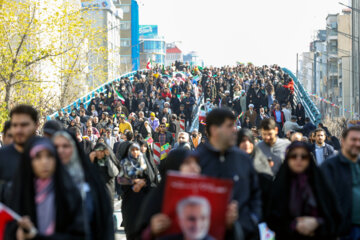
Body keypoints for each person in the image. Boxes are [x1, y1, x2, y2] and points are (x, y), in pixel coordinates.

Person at [196, 108, 261, 239]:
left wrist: (252, 219)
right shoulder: (195, 161)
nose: (234, 130)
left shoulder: (243, 159)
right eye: (230, 126)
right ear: (214, 129)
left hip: (244, 232)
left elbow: (256, 195)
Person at [5, 137, 86, 239]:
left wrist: (36, 237)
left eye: (49, 156)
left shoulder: (69, 191)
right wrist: (19, 233)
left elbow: (79, 233)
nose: (44, 162)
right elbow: (9, 229)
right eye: (38, 157)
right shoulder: (19, 192)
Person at [266, 141, 342, 240]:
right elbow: (271, 217)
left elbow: (335, 215)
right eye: (294, 156)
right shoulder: (280, 184)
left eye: (304, 156)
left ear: (309, 159)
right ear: (288, 158)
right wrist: (294, 225)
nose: (299, 159)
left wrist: (317, 223)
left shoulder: (320, 183)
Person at [52, 130, 115, 240]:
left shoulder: (89, 178)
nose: (60, 150)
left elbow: (103, 220)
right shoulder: (45, 180)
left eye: (65, 146)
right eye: (56, 146)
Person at [321, 126, 360, 239]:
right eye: (353, 140)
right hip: (344, 229)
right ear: (343, 141)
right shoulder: (330, 166)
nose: (357, 144)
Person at [0, 105, 38, 201]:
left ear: (36, 125)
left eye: (24, 125)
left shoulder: (47, 154)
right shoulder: (2, 156)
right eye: (15, 125)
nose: (18, 130)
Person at [237, 129, 273, 217]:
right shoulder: (231, 162)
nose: (246, 144)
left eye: (249, 140)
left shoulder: (262, 162)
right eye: (243, 141)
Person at [119, 143, 151, 240]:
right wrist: (133, 181)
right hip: (129, 201)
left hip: (143, 200)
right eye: (132, 150)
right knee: (131, 228)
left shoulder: (143, 162)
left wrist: (143, 183)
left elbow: (151, 178)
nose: (135, 152)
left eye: (137, 150)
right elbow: (120, 180)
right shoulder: (124, 163)